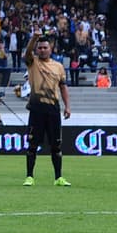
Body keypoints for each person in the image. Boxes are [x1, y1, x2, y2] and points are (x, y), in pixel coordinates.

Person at [22, 32, 72, 186]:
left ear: (51, 49)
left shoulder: (58, 67)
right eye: (40, 48)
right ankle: (29, 177)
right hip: (36, 109)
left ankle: (58, 178)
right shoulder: (33, 62)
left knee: (56, 145)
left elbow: (63, 87)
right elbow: (27, 53)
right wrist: (34, 38)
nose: (42, 50)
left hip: (53, 110)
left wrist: (67, 106)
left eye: (45, 47)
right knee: (32, 145)